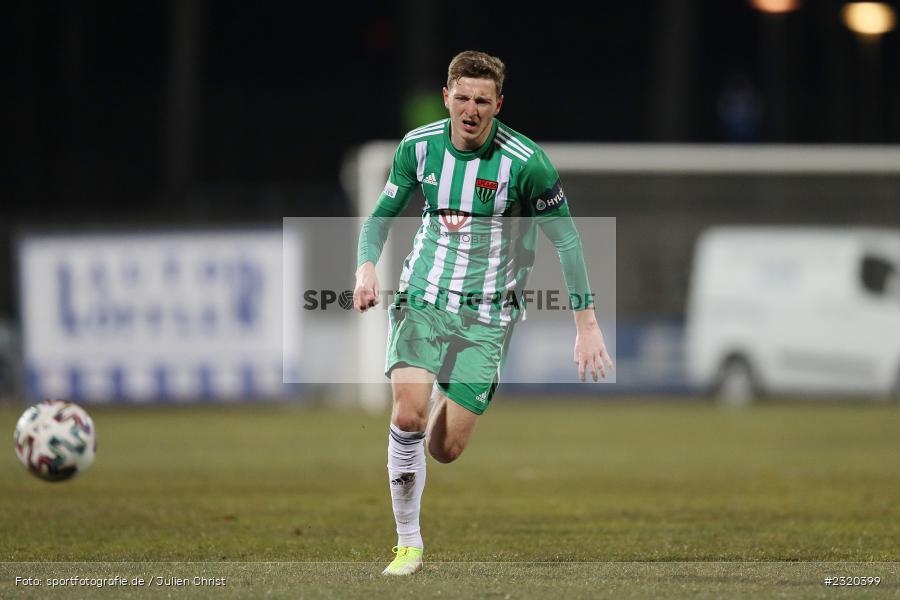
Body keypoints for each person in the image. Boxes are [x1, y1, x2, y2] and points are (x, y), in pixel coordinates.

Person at [353, 50, 613, 576]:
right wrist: (365, 268)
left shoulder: (527, 163)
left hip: (488, 317)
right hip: (422, 297)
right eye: (463, 98)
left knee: (445, 449)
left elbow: (567, 242)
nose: (471, 110)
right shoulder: (418, 148)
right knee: (407, 416)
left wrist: (586, 325)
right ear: (447, 96)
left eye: (483, 101)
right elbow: (380, 217)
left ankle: (430, 427)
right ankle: (408, 545)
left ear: (498, 104)